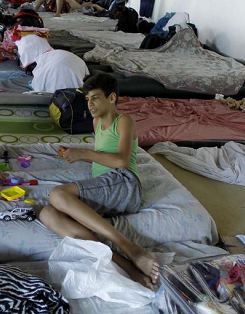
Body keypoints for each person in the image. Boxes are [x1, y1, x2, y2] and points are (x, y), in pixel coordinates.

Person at [39, 73, 159, 288]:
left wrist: (84, 153)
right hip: (107, 188)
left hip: (125, 183)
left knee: (58, 194)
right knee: (48, 213)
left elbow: (121, 160)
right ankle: (125, 265)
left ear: (111, 98)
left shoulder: (124, 122)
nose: (90, 104)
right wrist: (73, 154)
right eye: (87, 99)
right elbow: (103, 156)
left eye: (95, 98)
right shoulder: (96, 123)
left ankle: (130, 247)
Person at [33, 0, 105, 17]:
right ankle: (34, 10)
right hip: (54, 4)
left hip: (66, 5)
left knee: (81, 6)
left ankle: (95, 5)